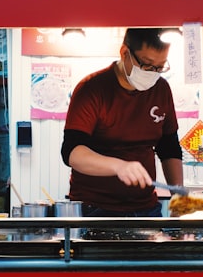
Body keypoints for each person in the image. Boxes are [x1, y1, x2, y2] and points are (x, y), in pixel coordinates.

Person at [62, 28, 184, 216]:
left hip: (146, 208)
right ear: (125, 53)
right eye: (147, 65)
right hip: (94, 208)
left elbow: (169, 147)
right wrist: (119, 166)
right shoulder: (92, 89)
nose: (153, 73)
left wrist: (179, 197)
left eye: (160, 67)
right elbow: (72, 152)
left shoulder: (161, 89)